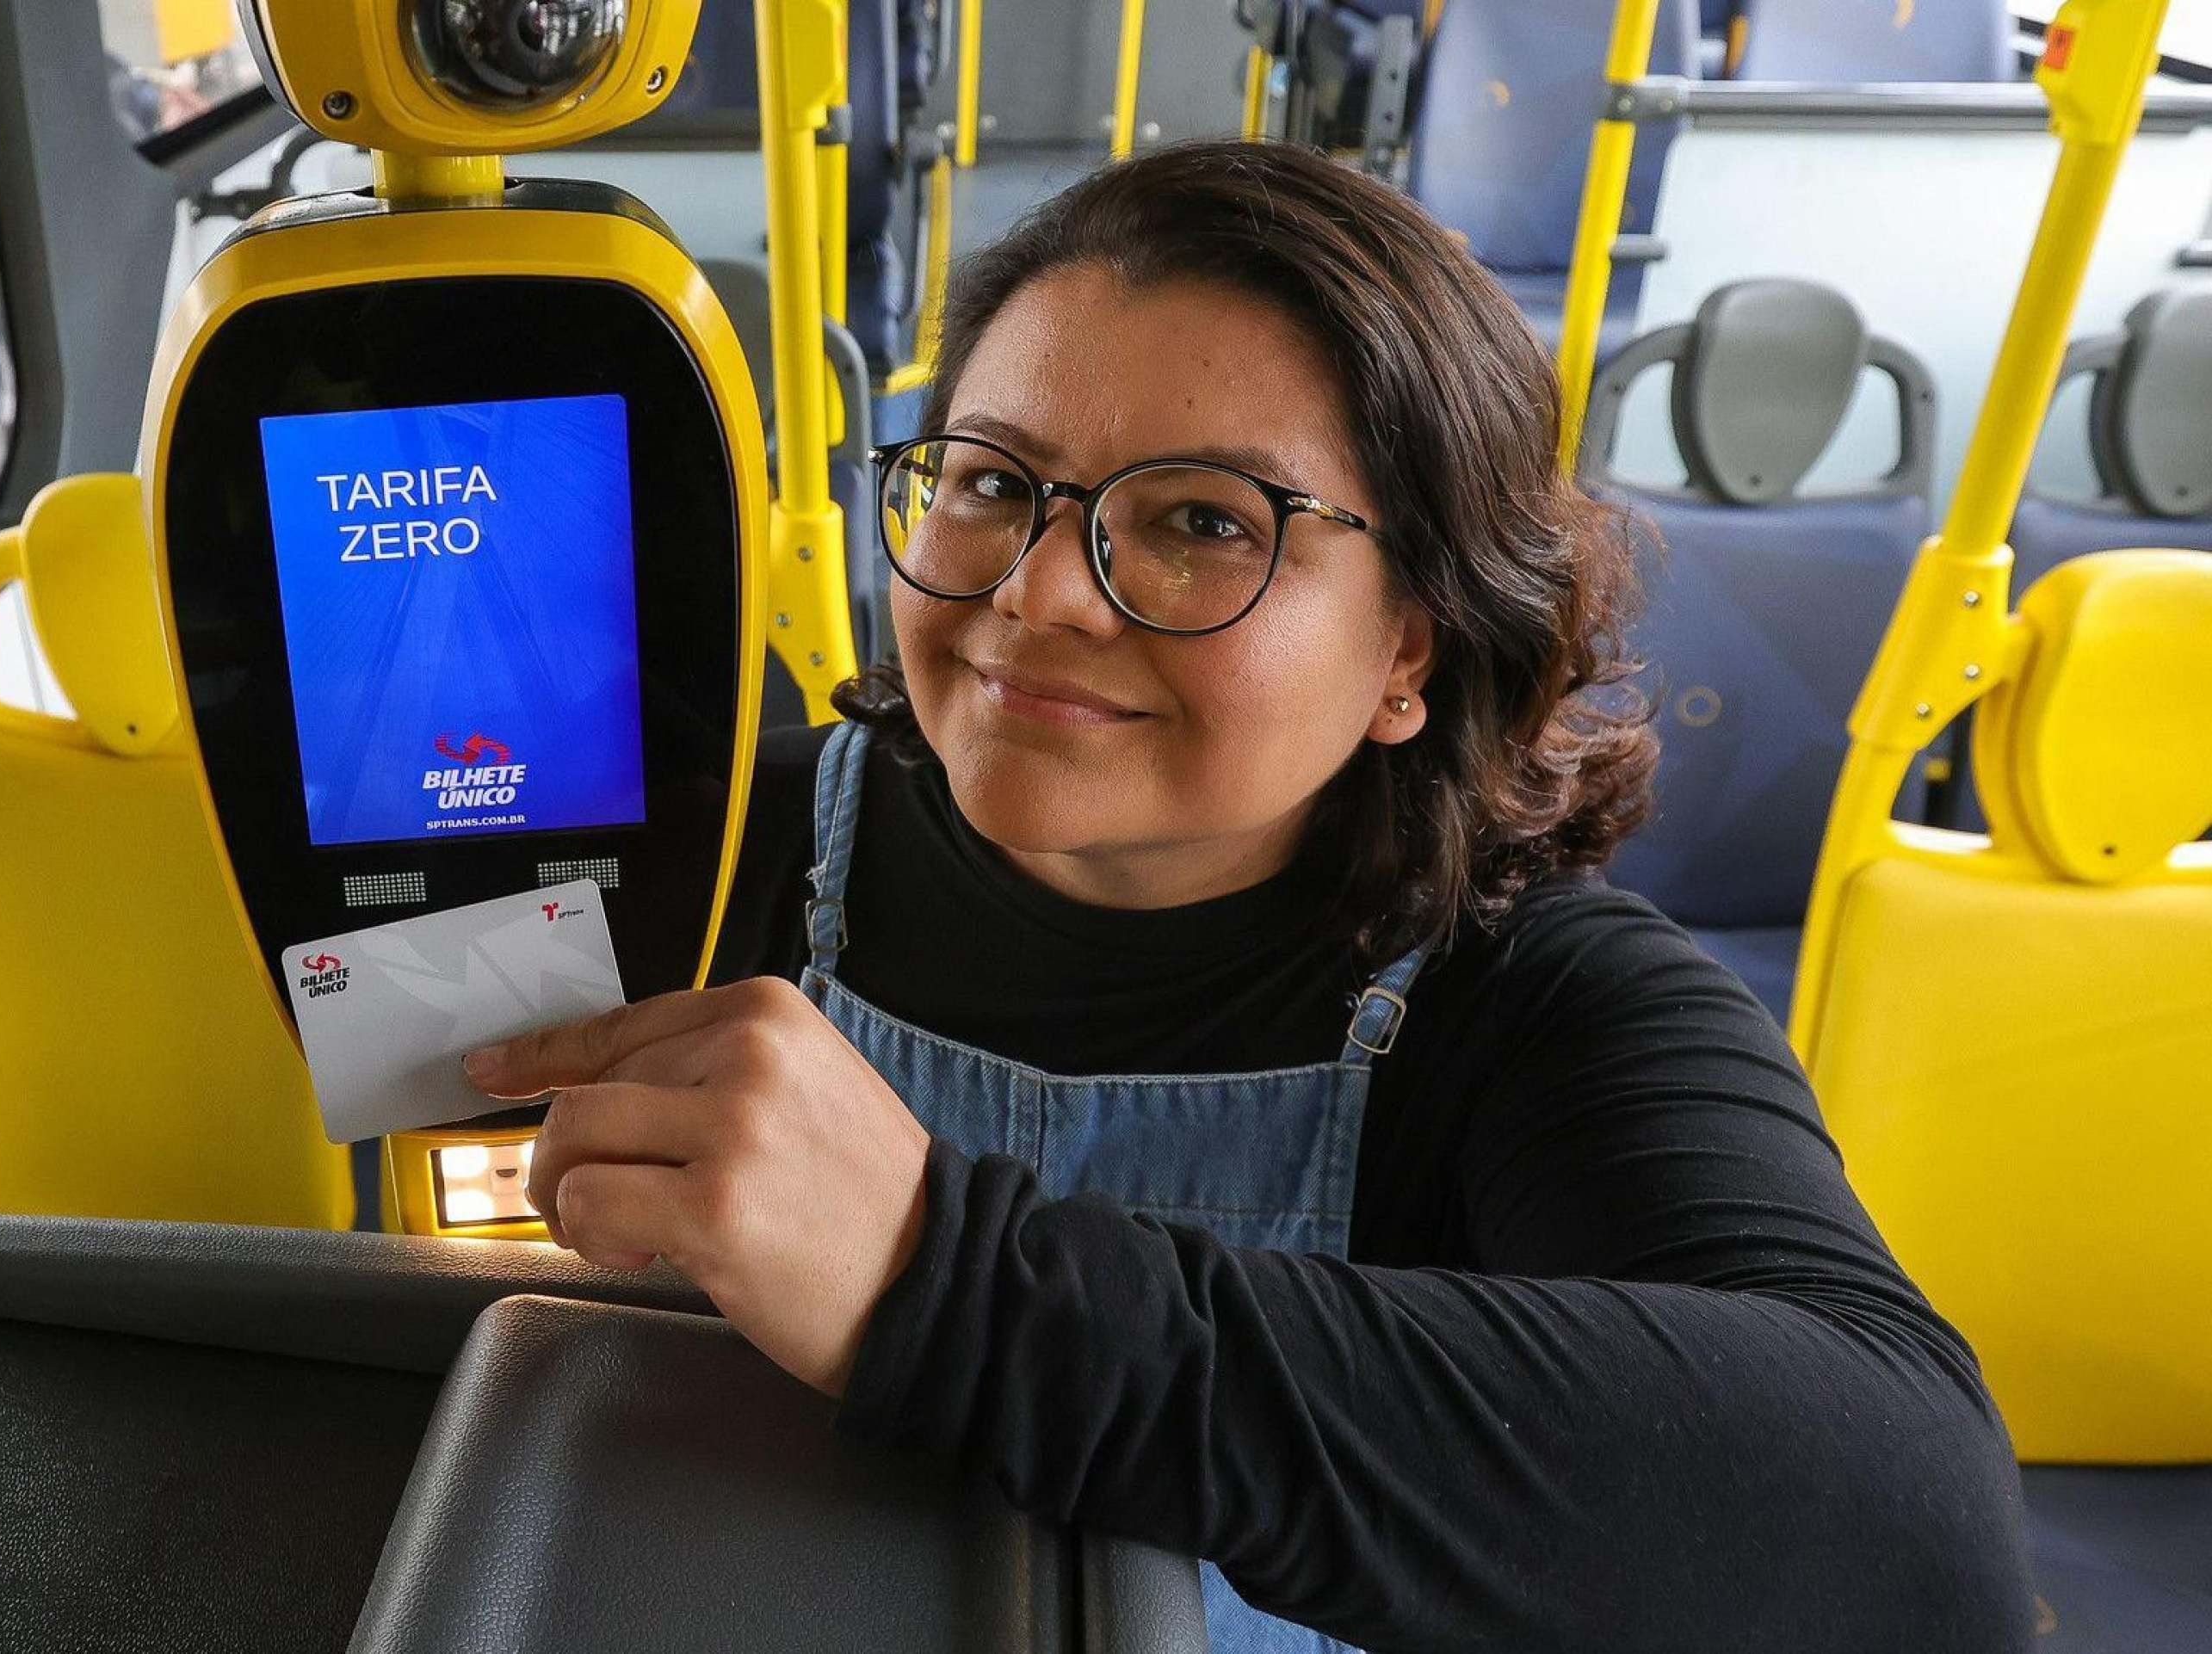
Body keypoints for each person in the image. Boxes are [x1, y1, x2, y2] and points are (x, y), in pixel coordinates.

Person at [466, 143, 2031, 1652]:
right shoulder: (704, 851)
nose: (1037, 592)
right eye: (995, 482)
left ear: (1410, 649)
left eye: (1207, 520)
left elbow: (1906, 1531)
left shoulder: (1538, 1003)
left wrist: (943, 1284)